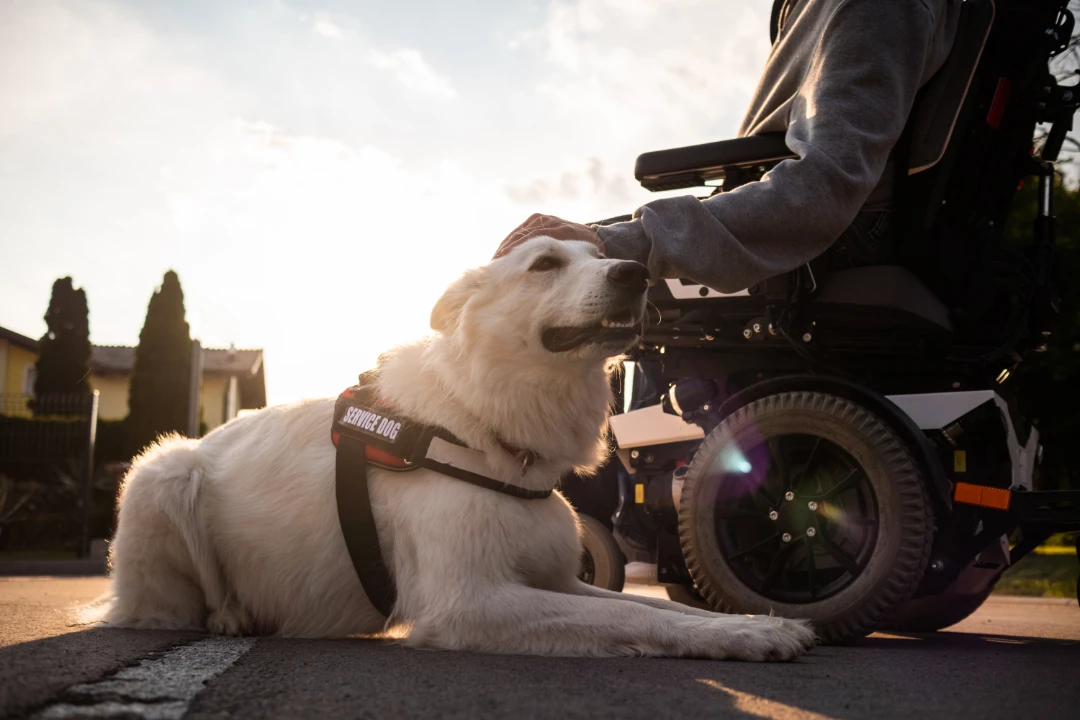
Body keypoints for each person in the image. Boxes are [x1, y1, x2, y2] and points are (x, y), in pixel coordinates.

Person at [494, 0, 962, 292]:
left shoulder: (873, 11)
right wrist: (596, 236)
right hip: (791, 211)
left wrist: (614, 242)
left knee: (564, 279)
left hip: (831, 242)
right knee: (545, 254)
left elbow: (824, 187)